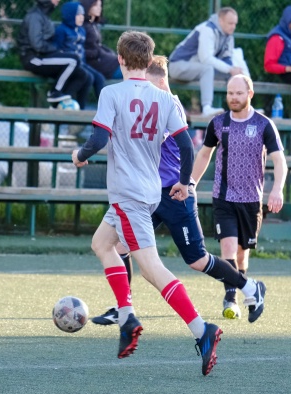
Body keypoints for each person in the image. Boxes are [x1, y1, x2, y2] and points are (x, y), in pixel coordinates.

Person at [72, 31, 226, 376]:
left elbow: (99, 138)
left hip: (128, 194)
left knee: (151, 269)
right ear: (148, 59)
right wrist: (185, 182)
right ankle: (127, 316)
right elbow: (186, 146)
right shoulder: (165, 99)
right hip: (147, 190)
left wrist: (79, 155)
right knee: (102, 243)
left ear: (121, 59)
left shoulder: (111, 93)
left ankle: (202, 330)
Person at [92, 55, 267, 325]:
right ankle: (123, 308)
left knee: (197, 260)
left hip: (175, 194)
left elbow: (161, 143)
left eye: (147, 83)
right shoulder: (154, 101)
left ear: (161, 81)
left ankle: (250, 287)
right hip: (148, 194)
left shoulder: (168, 104)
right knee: (118, 245)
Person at [191, 74, 287, 317]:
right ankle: (230, 299)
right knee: (228, 248)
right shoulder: (217, 123)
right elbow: (204, 154)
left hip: (252, 200)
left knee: (242, 254)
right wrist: (191, 183)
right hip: (224, 197)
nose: (233, 98)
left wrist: (277, 189)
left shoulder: (264, 124)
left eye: (239, 93)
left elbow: (279, 161)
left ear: (250, 94)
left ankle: (250, 291)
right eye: (230, 93)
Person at [168, 7, 250, 118]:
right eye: (230, 23)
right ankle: (207, 108)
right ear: (220, 21)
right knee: (208, 69)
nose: (233, 27)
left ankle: (245, 107)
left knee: (235, 73)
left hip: (197, 69)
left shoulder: (228, 36)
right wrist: (230, 69)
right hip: (178, 65)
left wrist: (236, 71)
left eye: (235, 24)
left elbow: (227, 59)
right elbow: (205, 59)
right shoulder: (208, 29)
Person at [17, 0, 92, 108]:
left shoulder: (44, 15)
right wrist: (57, 50)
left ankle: (58, 106)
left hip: (43, 56)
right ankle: (55, 92)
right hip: (33, 58)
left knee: (82, 74)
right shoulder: (34, 16)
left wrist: (56, 51)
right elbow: (37, 45)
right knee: (73, 60)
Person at [54, 1, 104, 99]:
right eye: (78, 14)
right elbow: (57, 49)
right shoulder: (61, 30)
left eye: (82, 14)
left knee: (99, 78)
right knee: (87, 77)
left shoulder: (81, 30)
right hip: (69, 64)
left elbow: (81, 51)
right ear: (70, 15)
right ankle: (67, 101)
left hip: (81, 63)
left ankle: (102, 106)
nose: (82, 17)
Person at [80, 0, 123, 80]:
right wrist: (100, 53)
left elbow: (98, 46)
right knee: (137, 71)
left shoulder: (93, 25)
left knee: (140, 67)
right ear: (88, 6)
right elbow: (87, 50)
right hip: (98, 65)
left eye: (100, 5)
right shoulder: (84, 27)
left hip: (106, 61)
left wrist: (109, 53)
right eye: (96, 5)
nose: (99, 8)